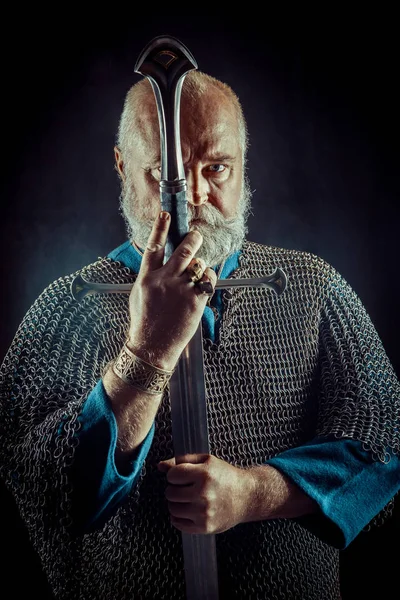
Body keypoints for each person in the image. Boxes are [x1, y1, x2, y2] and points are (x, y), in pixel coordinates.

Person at [0, 69, 399, 600]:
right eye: (164, 175)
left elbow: (384, 440)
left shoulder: (310, 289)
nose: (190, 198)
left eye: (216, 168)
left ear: (242, 166)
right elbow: (39, 486)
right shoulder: (68, 309)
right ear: (122, 167)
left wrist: (253, 493)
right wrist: (146, 353)